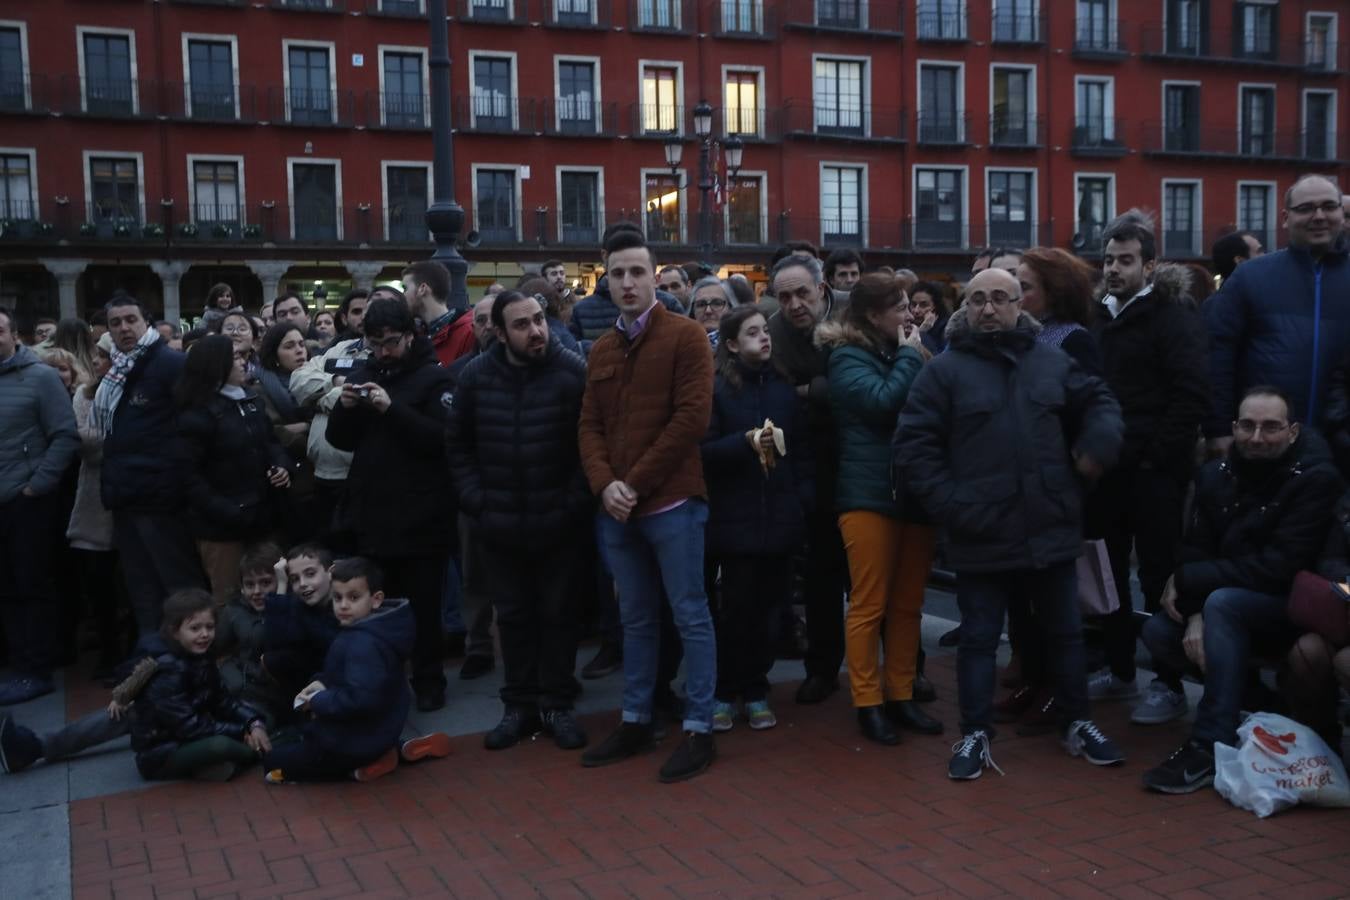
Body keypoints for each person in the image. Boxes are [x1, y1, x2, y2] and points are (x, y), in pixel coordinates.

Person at [896, 268, 1126, 780]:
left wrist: (1097, 446)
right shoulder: (944, 371)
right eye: (977, 299)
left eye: (1000, 297)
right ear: (966, 307)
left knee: (1066, 633)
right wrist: (954, 506)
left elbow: (1100, 401)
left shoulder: (1052, 362)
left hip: (1050, 523)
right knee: (979, 639)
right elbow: (914, 447)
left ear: (1020, 305)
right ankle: (975, 732)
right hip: (981, 530)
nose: (988, 308)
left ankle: (1077, 720)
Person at [1141, 387, 1343, 793]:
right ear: (1233, 428)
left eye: (1271, 427)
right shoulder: (1215, 475)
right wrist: (1195, 609)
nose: (1257, 437)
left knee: (1224, 602)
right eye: (1247, 426)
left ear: (1292, 431)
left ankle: (1208, 741)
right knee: (1159, 633)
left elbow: (1280, 569)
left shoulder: (1316, 479)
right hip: (1228, 599)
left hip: (1288, 605)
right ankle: (1253, 706)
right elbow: (1193, 551)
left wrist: (1196, 585)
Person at [577, 227, 718, 783]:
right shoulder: (604, 348)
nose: (628, 282)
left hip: (673, 503)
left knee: (690, 615)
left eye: (637, 272)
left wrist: (629, 482)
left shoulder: (684, 336)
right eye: (618, 273)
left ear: (654, 277)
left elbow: (692, 420)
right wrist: (603, 485)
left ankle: (700, 727)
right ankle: (636, 718)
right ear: (605, 279)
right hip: (618, 510)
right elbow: (588, 424)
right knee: (635, 619)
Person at [446, 291, 591, 751]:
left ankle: (557, 703)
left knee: (559, 616)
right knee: (512, 617)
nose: (536, 331)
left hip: (559, 521)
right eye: (523, 324)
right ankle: (519, 704)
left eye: (539, 320)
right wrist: (478, 502)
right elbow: (458, 447)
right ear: (501, 333)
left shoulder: (572, 372)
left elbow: (591, 443)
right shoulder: (475, 377)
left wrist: (572, 503)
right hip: (500, 522)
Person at [1089, 211, 1212, 716]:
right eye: (1109, 259)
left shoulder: (1173, 315)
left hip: (1155, 473)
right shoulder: (1099, 314)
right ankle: (1120, 670)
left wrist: (1154, 458)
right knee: (1107, 573)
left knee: (1161, 573)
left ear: (1150, 263)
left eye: (1125, 260)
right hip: (1106, 471)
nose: (1114, 269)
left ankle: (1168, 684)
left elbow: (1190, 394)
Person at [816, 274, 941, 744]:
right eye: (900, 307)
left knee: (909, 607)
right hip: (867, 495)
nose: (909, 315)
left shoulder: (907, 353)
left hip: (913, 495)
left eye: (910, 305)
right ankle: (868, 702)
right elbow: (882, 403)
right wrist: (911, 354)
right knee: (869, 606)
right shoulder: (847, 356)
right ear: (872, 315)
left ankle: (901, 694)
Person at [327, 298, 456, 711]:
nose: (384, 351)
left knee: (423, 606)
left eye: (392, 342)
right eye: (375, 343)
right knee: (379, 606)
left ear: (411, 335)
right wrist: (345, 411)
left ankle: (430, 680)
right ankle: (384, 680)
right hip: (373, 515)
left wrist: (391, 408)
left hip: (422, 516)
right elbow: (341, 441)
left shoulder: (433, 379)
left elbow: (441, 440)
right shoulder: (366, 373)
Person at [700, 306, 811, 733]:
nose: (763, 338)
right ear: (731, 344)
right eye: (751, 333)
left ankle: (758, 686)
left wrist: (800, 499)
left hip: (779, 512)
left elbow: (799, 450)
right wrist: (743, 443)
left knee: (771, 609)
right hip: (736, 516)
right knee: (736, 609)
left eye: (765, 331)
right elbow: (703, 452)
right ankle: (726, 690)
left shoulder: (782, 388)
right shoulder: (719, 390)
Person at [262, 557, 448, 783]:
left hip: (354, 740)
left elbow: (359, 699)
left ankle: (373, 758)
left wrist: (318, 700)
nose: (343, 605)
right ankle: (387, 752)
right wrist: (321, 683)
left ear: (376, 599)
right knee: (296, 743)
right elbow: (345, 677)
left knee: (273, 763)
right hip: (372, 732)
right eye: (337, 598)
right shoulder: (369, 630)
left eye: (353, 598)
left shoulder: (363, 643)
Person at [1206, 174, 1350, 456]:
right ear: (1285, 217)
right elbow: (1217, 355)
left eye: (1328, 207)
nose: (1319, 216)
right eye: (1306, 208)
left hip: (1340, 445)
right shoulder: (1250, 277)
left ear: (1341, 214)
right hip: (1263, 443)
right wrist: (1219, 428)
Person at [764, 254, 852, 705]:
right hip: (810, 466)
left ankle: (904, 670)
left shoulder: (858, 312)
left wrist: (812, 390)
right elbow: (775, 398)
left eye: (802, 293)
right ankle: (822, 669)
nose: (795, 303)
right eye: (784, 296)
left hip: (865, 460)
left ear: (822, 288)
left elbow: (864, 385)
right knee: (820, 578)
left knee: (878, 579)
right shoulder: (774, 332)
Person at [0, 306, 80, 705]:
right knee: (7, 586)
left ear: (15, 334)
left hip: (25, 501)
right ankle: (17, 662)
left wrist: (37, 486)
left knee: (31, 583)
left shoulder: (41, 378)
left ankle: (38, 668)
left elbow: (65, 435)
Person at [175, 335, 292, 605]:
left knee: (273, 592)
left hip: (261, 518)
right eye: (237, 358)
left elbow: (270, 443)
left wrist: (281, 466)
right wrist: (227, 511)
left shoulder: (250, 400)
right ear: (217, 365)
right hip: (221, 529)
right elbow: (188, 476)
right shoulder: (195, 414)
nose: (244, 363)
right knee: (229, 600)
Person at [130, 588, 271, 781]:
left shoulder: (202, 657)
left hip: (196, 735)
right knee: (221, 746)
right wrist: (242, 731)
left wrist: (253, 723)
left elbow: (224, 701)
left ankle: (233, 759)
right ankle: (258, 751)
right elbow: (189, 727)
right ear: (175, 632)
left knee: (263, 719)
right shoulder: (166, 671)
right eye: (195, 628)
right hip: (163, 752)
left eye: (210, 627)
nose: (204, 634)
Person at [68, 332, 124, 675]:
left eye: (108, 357)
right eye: (99, 357)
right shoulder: (84, 394)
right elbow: (85, 443)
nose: (101, 363)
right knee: (100, 588)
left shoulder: (137, 394)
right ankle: (108, 654)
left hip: (133, 505)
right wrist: (122, 438)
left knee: (132, 589)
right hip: (94, 504)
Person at [215, 542, 292, 728]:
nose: (257, 591)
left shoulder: (293, 608)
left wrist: (278, 599)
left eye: (265, 583)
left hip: (279, 697)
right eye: (249, 584)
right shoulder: (234, 611)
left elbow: (273, 638)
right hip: (241, 690)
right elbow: (214, 649)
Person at [258, 323, 316, 541]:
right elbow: (274, 433)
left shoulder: (318, 380)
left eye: (301, 344)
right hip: (289, 484)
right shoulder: (260, 389)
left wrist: (307, 426)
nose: (300, 350)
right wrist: (313, 426)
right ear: (275, 355)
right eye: (290, 346)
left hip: (319, 481)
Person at [402, 260, 474, 366]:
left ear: (422, 289)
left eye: (405, 288)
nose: (403, 295)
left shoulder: (468, 333)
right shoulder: (416, 336)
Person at [689, 277, 737, 347]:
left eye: (717, 303)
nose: (708, 311)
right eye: (701, 304)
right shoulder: (681, 344)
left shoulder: (743, 345)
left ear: (730, 307)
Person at [909, 280, 951, 356]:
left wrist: (922, 333)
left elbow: (937, 359)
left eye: (923, 305)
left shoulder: (947, 329)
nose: (916, 310)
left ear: (936, 307)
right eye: (913, 304)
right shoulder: (906, 326)